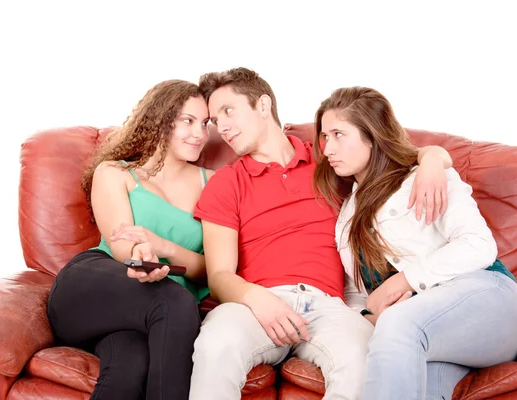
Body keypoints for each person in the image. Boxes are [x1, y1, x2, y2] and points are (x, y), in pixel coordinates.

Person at [189, 67, 453, 400]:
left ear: (263, 105)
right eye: (214, 120)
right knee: (217, 344)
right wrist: (258, 299)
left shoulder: (328, 158)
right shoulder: (226, 183)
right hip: (256, 304)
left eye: (228, 111)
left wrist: (431, 162)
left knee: (365, 357)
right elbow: (219, 275)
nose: (221, 126)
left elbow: (401, 154)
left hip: (330, 308)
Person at [313, 86, 517, 400]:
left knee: (398, 324)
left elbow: (479, 245)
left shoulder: (423, 178)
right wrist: (366, 316)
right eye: (324, 137)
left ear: (371, 136)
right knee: (415, 384)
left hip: (490, 302)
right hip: (428, 333)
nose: (328, 148)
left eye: (338, 134)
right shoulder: (347, 215)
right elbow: (359, 294)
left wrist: (406, 280)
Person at [47, 79, 212, 400]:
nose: (200, 134)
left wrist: (165, 249)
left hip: (149, 317)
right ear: (160, 118)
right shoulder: (114, 173)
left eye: (205, 123)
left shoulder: (214, 184)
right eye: (188, 121)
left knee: (132, 366)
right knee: (175, 301)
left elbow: (212, 268)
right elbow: (123, 245)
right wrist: (143, 255)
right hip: (94, 288)